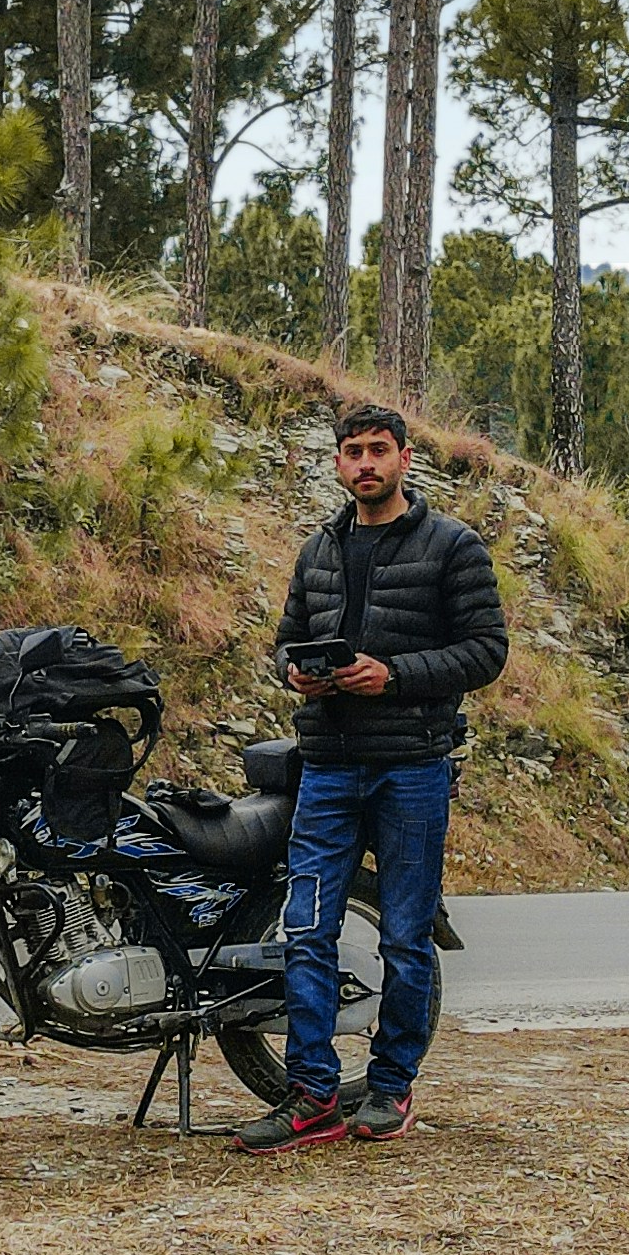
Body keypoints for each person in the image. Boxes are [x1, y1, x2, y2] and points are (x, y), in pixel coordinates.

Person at [237, 403, 506, 1153]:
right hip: (325, 768)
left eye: (377, 450)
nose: (365, 463)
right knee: (305, 928)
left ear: (404, 458)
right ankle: (314, 1094)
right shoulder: (319, 549)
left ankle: (391, 1089)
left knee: (406, 936)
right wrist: (297, 672)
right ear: (337, 464)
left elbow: (487, 651)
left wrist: (392, 676)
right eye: (352, 451)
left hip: (413, 766)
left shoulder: (454, 546)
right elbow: (287, 639)